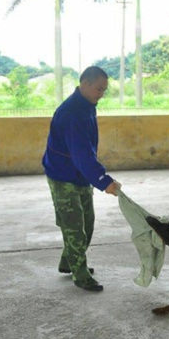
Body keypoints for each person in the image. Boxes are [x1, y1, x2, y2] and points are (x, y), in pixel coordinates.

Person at [43, 66, 121, 292]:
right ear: (84, 84)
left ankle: (68, 261)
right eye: (99, 89)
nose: (101, 94)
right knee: (74, 226)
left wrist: (96, 177)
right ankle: (80, 275)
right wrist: (104, 181)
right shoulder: (73, 113)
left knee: (87, 222)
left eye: (104, 90)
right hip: (62, 175)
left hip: (78, 174)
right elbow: (81, 153)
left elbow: (85, 151)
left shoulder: (87, 105)